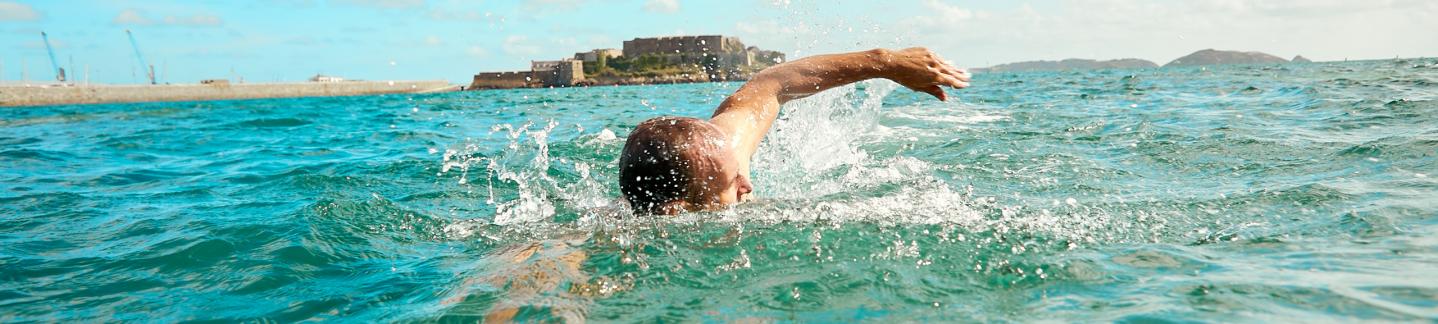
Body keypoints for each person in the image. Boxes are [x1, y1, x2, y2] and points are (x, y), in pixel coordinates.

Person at [619, 47, 971, 214]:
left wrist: (885, 63)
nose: (748, 184)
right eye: (733, 183)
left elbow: (775, 84)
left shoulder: (719, 150)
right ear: (676, 212)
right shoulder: (628, 238)